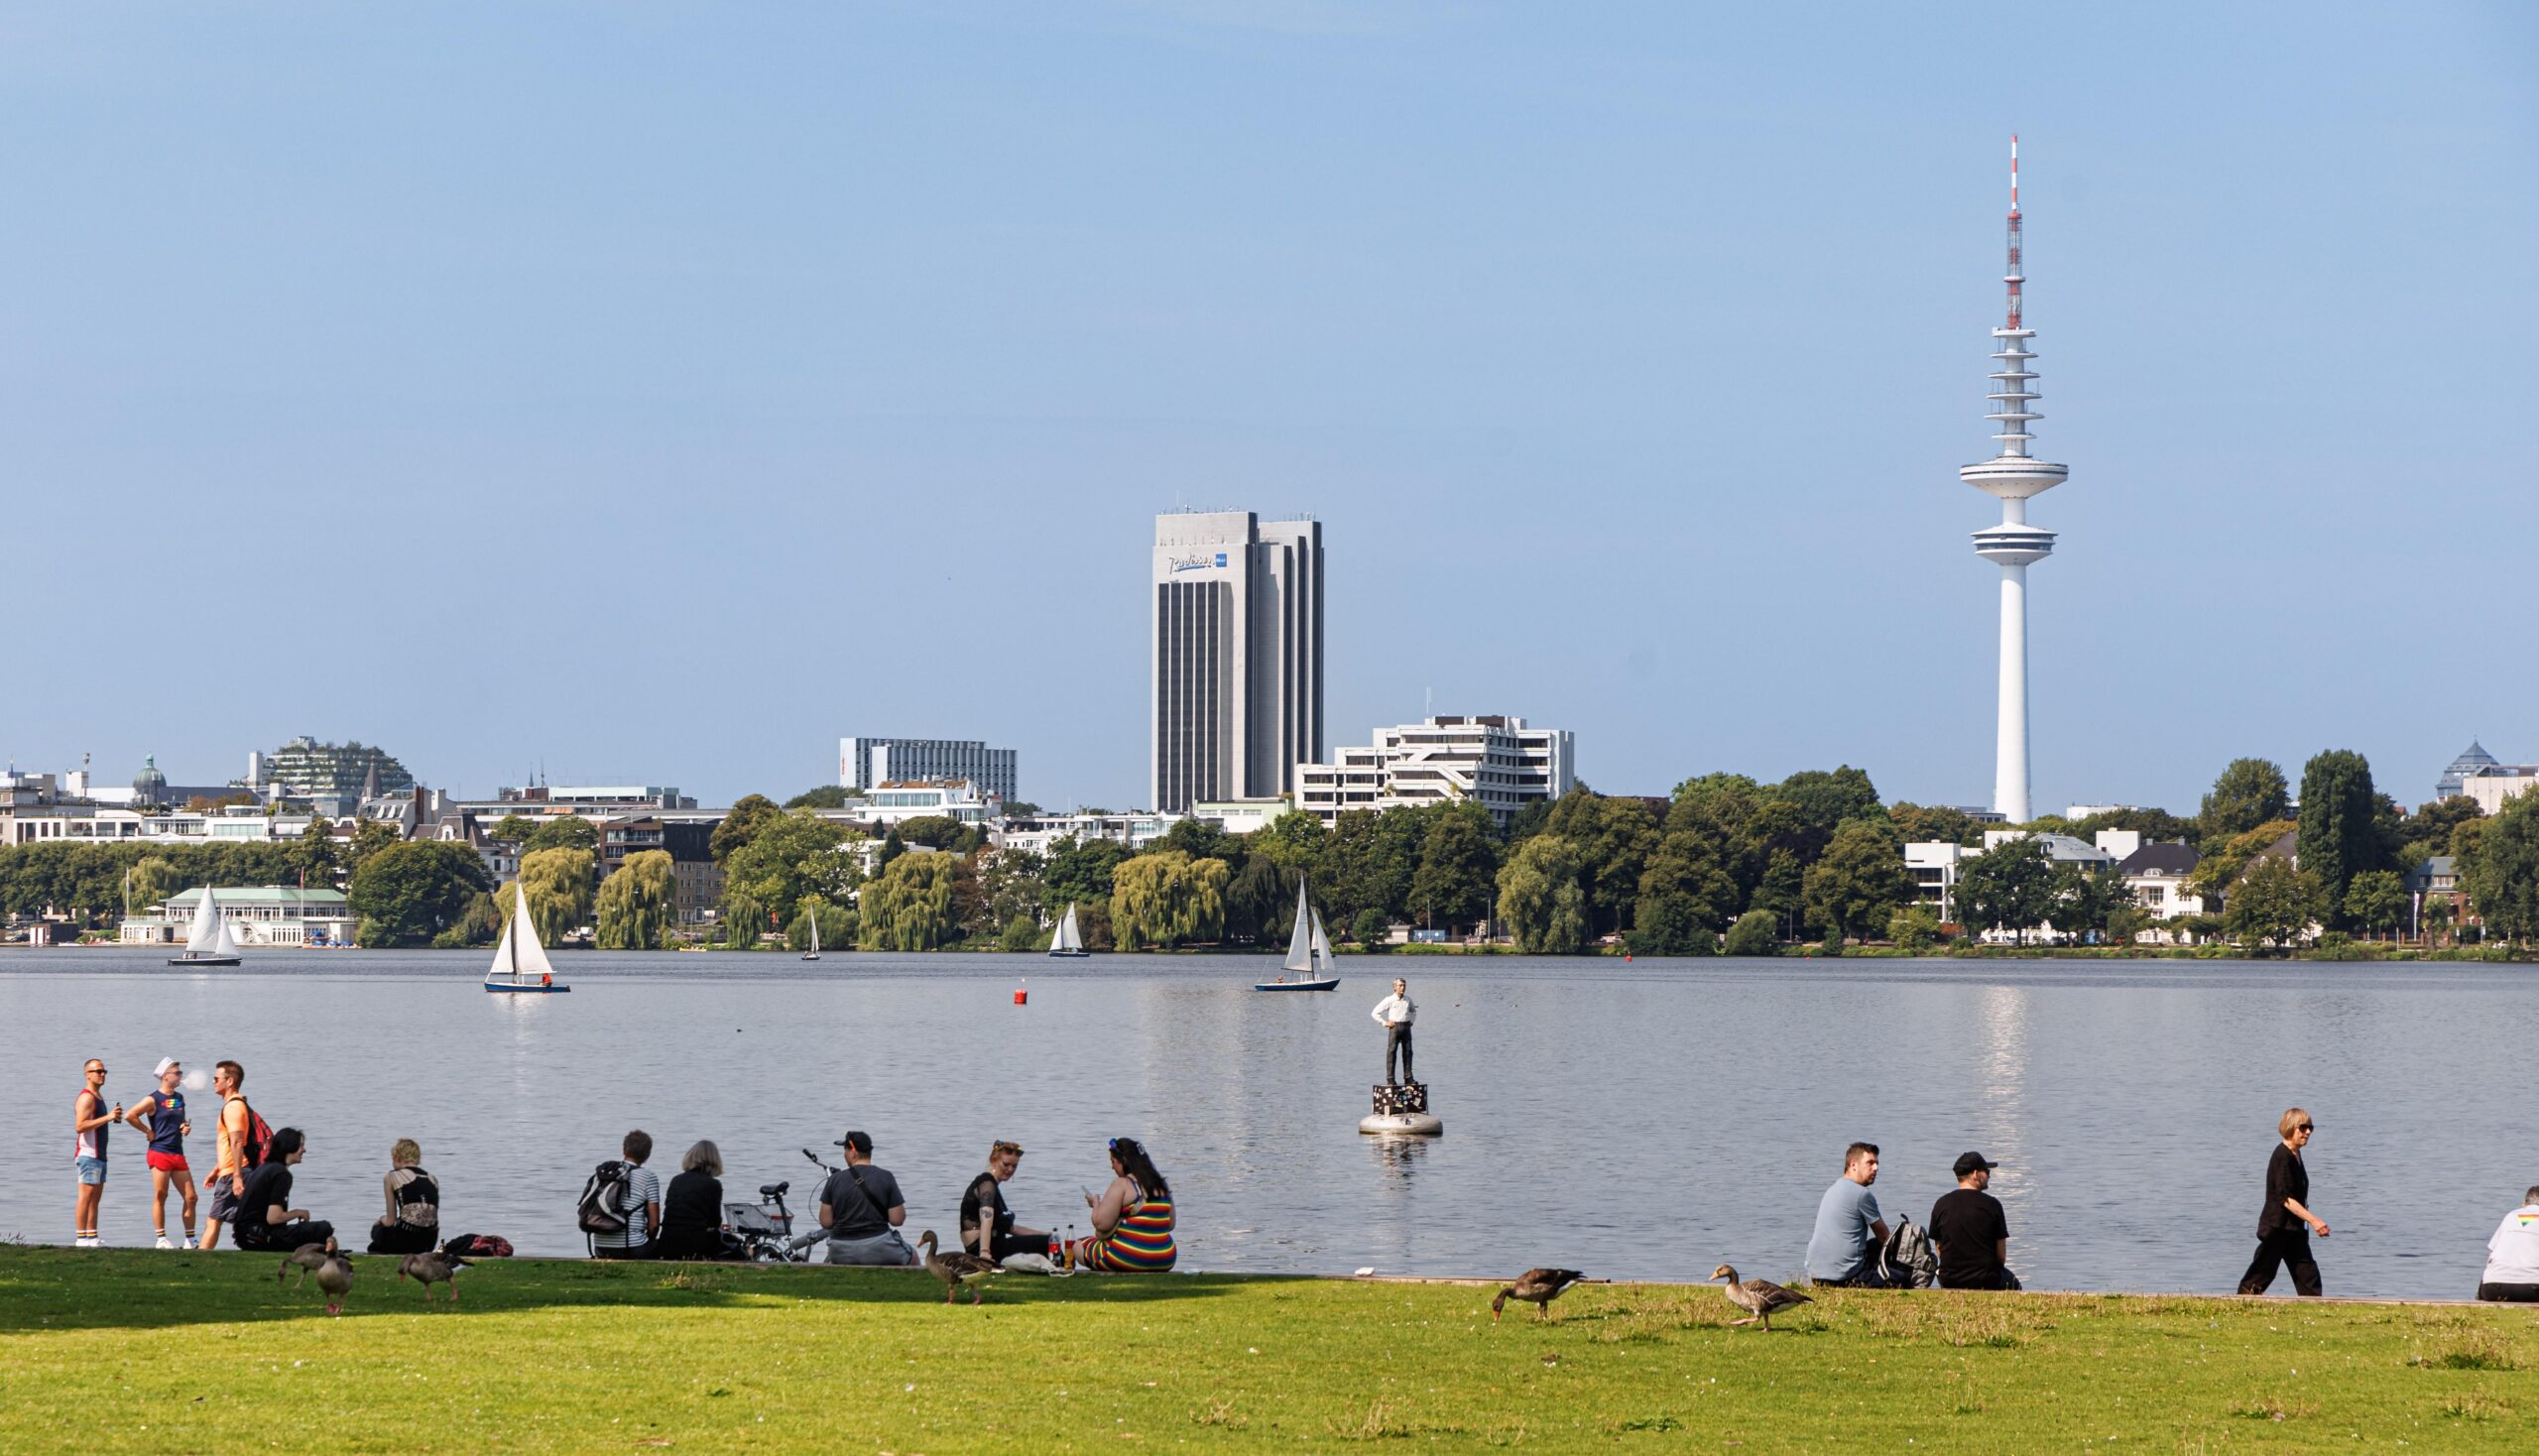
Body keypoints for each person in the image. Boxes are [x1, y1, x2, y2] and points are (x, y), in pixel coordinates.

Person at [2237, 1108, 2327, 1297]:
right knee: (2261, 1273)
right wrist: (2314, 1220)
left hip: (2293, 1230)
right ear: (2291, 1128)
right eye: (2303, 1128)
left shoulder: (2295, 1155)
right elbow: (2286, 1200)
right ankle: (2240, 1305)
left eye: (2310, 1128)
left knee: (2308, 1275)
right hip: (2277, 1228)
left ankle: (2316, 1311)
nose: (2308, 1132)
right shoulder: (2282, 1156)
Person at [1063, 1136, 1177, 1273]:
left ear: (1124, 1161)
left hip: (1127, 1256)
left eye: (1113, 1162)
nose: (1112, 1167)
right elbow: (1170, 1224)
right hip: (1165, 1258)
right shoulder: (1162, 1185)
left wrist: (1096, 1203)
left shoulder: (1122, 1184)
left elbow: (1101, 1224)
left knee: (1078, 1246)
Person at [124, 1057, 196, 1250]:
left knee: (191, 1197)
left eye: (181, 1073)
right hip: (159, 1151)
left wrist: (184, 1128)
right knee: (161, 1194)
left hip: (177, 1152)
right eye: (177, 1073)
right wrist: (147, 1131)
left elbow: (179, 1122)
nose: (181, 1076)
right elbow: (129, 1115)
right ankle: (161, 1238)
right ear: (165, 1076)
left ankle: (190, 1240)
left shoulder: (179, 1098)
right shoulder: (152, 1099)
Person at [816, 1131, 914, 1266]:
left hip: (840, 1249)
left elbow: (825, 1222)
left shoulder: (834, 1180)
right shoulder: (886, 1177)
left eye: (845, 1150)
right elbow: (897, 1220)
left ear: (853, 1152)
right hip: (879, 1245)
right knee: (912, 1255)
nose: (844, 1154)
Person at [232, 1128, 335, 1253]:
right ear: (289, 1147)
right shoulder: (281, 1174)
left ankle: (317, 1251)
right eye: (301, 1146)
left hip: (245, 1237)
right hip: (260, 1238)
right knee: (324, 1228)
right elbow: (274, 1218)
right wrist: (298, 1212)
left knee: (305, 1231)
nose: (304, 1150)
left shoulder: (263, 1168)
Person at [1928, 1152, 2018, 1290]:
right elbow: (2001, 1256)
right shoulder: (1992, 1205)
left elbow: (1939, 1250)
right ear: (1976, 1174)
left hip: (1949, 1279)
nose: (1989, 1175)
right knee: (2014, 1284)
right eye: (1986, 1171)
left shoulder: (1941, 1204)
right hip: (1986, 1280)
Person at [1806, 1143, 1892, 1287]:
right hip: (1843, 1277)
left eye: (1877, 1163)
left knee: (1873, 1246)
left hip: (1816, 1274)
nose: (1876, 1168)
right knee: (1899, 1276)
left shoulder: (1833, 1188)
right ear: (1853, 1165)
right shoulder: (1862, 1195)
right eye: (1870, 1163)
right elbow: (1885, 1238)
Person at [961, 1141, 1054, 1262]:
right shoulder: (987, 1184)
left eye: (1014, 1166)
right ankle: (1064, 1269)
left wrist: (1044, 1234)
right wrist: (984, 1253)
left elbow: (1010, 1229)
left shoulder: (992, 1185)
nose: (1010, 1169)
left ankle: (1061, 1268)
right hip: (983, 1248)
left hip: (995, 1244)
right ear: (994, 1160)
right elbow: (986, 1219)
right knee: (1047, 1243)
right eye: (1006, 1164)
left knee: (1049, 1240)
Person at [198, 1060, 255, 1252]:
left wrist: (237, 1176)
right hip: (231, 1170)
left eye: (216, 1078)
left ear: (230, 1081)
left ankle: (201, 1259)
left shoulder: (233, 1107)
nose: (213, 1082)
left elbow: (238, 1142)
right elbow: (230, 1145)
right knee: (244, 1219)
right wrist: (216, 1169)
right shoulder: (236, 1105)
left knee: (214, 1220)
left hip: (234, 1173)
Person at [657, 1141, 741, 1261]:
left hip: (667, 1240)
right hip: (694, 1243)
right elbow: (714, 1221)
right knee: (727, 1242)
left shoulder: (676, 1180)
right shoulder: (713, 1184)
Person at [71, 1057, 122, 1248]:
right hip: (88, 1154)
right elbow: (80, 1126)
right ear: (87, 1075)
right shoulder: (86, 1097)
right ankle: (81, 1238)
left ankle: (92, 1236)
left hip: (100, 1154)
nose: (102, 1074)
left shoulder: (98, 1097)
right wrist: (109, 1117)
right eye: (98, 1071)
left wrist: (111, 1117)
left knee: (95, 1198)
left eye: (104, 1071)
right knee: (86, 1196)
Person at [590, 1130, 663, 1260]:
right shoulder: (648, 1177)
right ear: (648, 1155)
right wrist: (650, 1240)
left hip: (600, 1246)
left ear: (624, 1149)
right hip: (633, 1247)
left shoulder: (605, 1172)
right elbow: (654, 1224)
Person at [366, 1139, 440, 1255]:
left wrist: (380, 1220)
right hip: (430, 1240)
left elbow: (390, 1221)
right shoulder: (432, 1179)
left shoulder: (392, 1176)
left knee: (377, 1232)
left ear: (398, 1157)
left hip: (406, 1238)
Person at [2476, 1184, 2539, 1302]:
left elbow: (2490, 1256)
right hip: (2533, 1289)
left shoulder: (2511, 1216)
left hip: (2494, 1288)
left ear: (2524, 1203)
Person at [1372, 978, 1416, 1086]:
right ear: (1394, 987)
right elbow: (1374, 1013)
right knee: (1391, 1053)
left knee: (1408, 1052)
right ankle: (1390, 1079)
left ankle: (1408, 1077)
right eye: (1400, 985)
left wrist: (1411, 1021)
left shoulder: (1408, 999)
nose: (1403, 988)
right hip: (1394, 1027)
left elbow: (1413, 1011)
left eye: (1404, 985)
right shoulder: (1389, 999)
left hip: (1406, 1027)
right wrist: (1384, 1023)